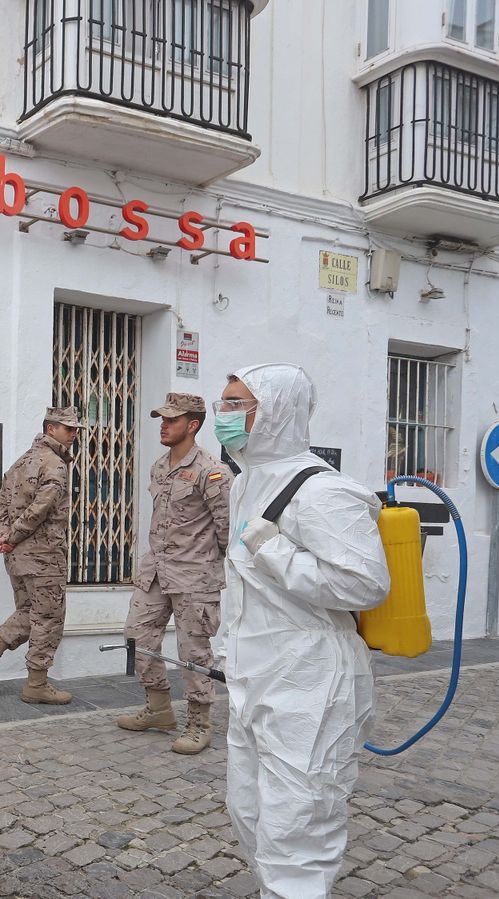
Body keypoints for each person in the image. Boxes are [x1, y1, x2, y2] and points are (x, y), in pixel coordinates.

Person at [215, 364, 389, 897]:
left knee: (299, 823)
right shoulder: (245, 484)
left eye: (238, 405)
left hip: (311, 680)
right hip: (255, 676)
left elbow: (365, 585)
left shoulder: (324, 491)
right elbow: (244, 587)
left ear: (274, 413)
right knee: (248, 809)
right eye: (222, 404)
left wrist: (275, 549)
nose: (224, 416)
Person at [115, 393, 234, 754]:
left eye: (172, 420)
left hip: (194, 577)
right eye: (162, 419)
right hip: (156, 571)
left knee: (194, 651)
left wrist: (212, 571)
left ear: (192, 425)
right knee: (136, 637)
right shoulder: (158, 466)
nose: (163, 426)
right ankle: (160, 707)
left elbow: (227, 530)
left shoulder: (213, 471)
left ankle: (199, 722)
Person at [0, 407, 82, 703]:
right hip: (44, 557)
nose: (74, 433)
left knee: (30, 612)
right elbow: (41, 509)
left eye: (75, 428)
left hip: (17, 557)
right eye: (68, 428)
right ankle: (37, 684)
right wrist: (11, 537)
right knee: (49, 618)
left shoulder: (20, 462)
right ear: (50, 428)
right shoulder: (54, 464)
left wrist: (5, 537)